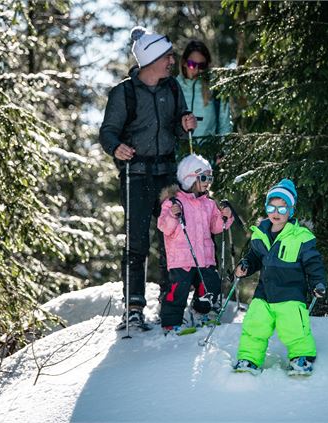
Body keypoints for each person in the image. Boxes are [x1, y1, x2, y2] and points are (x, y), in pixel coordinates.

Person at [99, 26, 197, 330]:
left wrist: (186, 124)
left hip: (167, 176)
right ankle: (133, 308)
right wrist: (117, 147)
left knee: (173, 240)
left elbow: (180, 129)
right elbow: (107, 133)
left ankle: (173, 303)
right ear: (151, 59)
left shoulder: (172, 88)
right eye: (167, 56)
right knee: (137, 244)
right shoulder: (123, 92)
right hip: (136, 176)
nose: (172, 61)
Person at [232, 179, 327, 376]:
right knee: (254, 326)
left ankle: (301, 357)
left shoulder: (301, 237)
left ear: (290, 212)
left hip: (291, 294)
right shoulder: (260, 234)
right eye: (272, 207)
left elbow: (313, 263)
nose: (276, 213)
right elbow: (254, 257)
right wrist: (246, 265)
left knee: (294, 329)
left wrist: (318, 283)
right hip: (264, 293)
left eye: (282, 209)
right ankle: (249, 359)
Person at [157, 154, 233, 335]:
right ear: (190, 178)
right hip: (181, 258)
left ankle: (200, 312)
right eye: (204, 178)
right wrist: (172, 215)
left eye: (210, 178)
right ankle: (171, 321)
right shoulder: (173, 202)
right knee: (178, 290)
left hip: (205, 257)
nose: (208, 182)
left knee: (210, 286)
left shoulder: (209, 203)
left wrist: (225, 216)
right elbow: (164, 227)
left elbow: (216, 227)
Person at [176, 40, 232, 163]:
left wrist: (223, 151)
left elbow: (224, 124)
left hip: (208, 161)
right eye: (191, 64)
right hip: (178, 161)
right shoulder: (173, 87)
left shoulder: (216, 88)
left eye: (201, 66)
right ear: (184, 63)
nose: (196, 70)